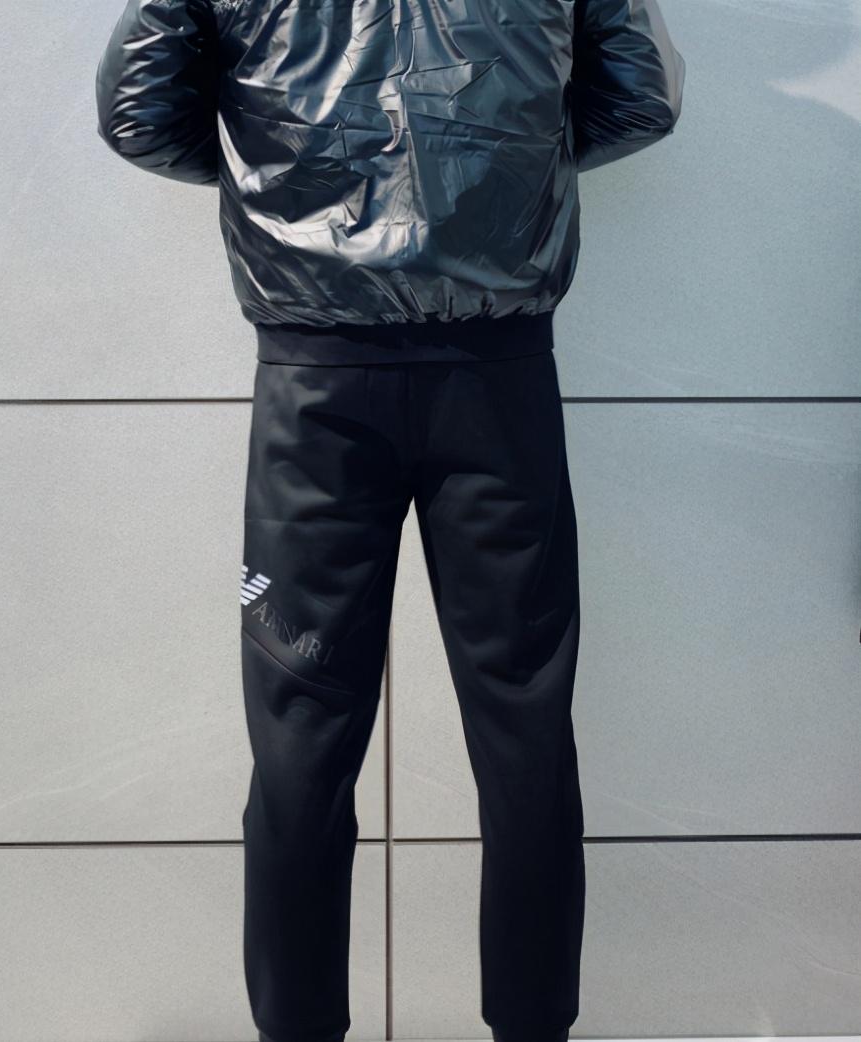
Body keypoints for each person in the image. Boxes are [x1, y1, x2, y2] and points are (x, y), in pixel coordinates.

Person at [95, 2, 685, 1040]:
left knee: (299, 734)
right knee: (524, 726)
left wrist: (280, 184)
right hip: (497, 382)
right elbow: (638, 99)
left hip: (314, 391)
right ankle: (534, 1028)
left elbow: (139, 114)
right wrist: (498, 189)